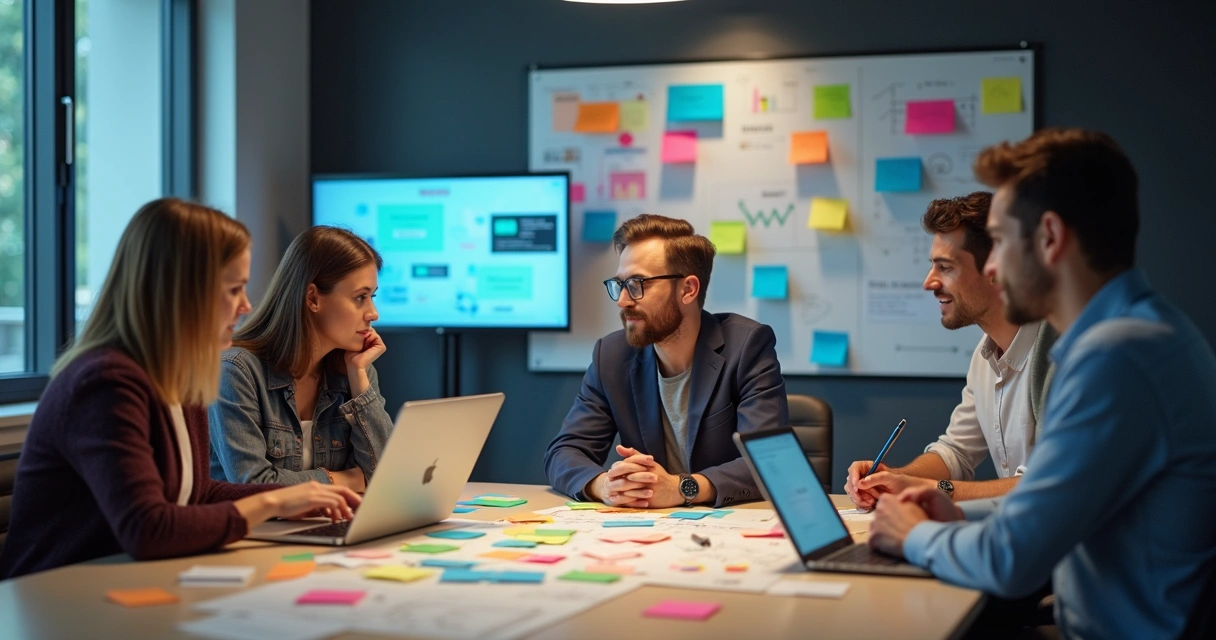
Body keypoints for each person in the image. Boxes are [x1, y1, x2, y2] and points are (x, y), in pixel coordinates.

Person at [868, 128, 1216, 638]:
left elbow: (1012, 559)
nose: (990, 265)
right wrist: (958, 514)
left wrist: (915, 535)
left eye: (1002, 241)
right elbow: (1046, 511)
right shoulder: (1146, 334)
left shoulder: (1117, 358)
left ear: (1050, 238)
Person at [0, 199, 360, 579]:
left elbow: (197, 494)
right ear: (183, 291)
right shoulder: (104, 383)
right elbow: (148, 530)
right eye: (234, 289)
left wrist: (291, 500)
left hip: (123, 582)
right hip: (52, 597)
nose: (245, 306)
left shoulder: (180, 378)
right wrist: (272, 500)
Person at [544, 214, 788, 509]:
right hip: (651, 529)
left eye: (637, 284)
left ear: (688, 289)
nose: (623, 299)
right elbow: (564, 452)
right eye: (619, 284)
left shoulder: (746, 346)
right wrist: (604, 485)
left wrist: (681, 487)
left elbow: (770, 461)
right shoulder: (610, 355)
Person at [845, 193, 1056, 508]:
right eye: (933, 266)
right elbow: (955, 452)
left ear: (996, 269)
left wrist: (933, 490)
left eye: (945, 267)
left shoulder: (1059, 357)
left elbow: (1046, 486)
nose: (929, 282)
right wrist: (894, 479)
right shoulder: (985, 358)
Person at [209, 226, 392, 491]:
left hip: (319, 527)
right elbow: (255, 486)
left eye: (372, 297)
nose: (373, 313)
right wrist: (344, 479)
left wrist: (360, 382)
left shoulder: (356, 370)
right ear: (313, 298)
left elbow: (384, 477)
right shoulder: (236, 371)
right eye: (360, 298)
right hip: (254, 532)